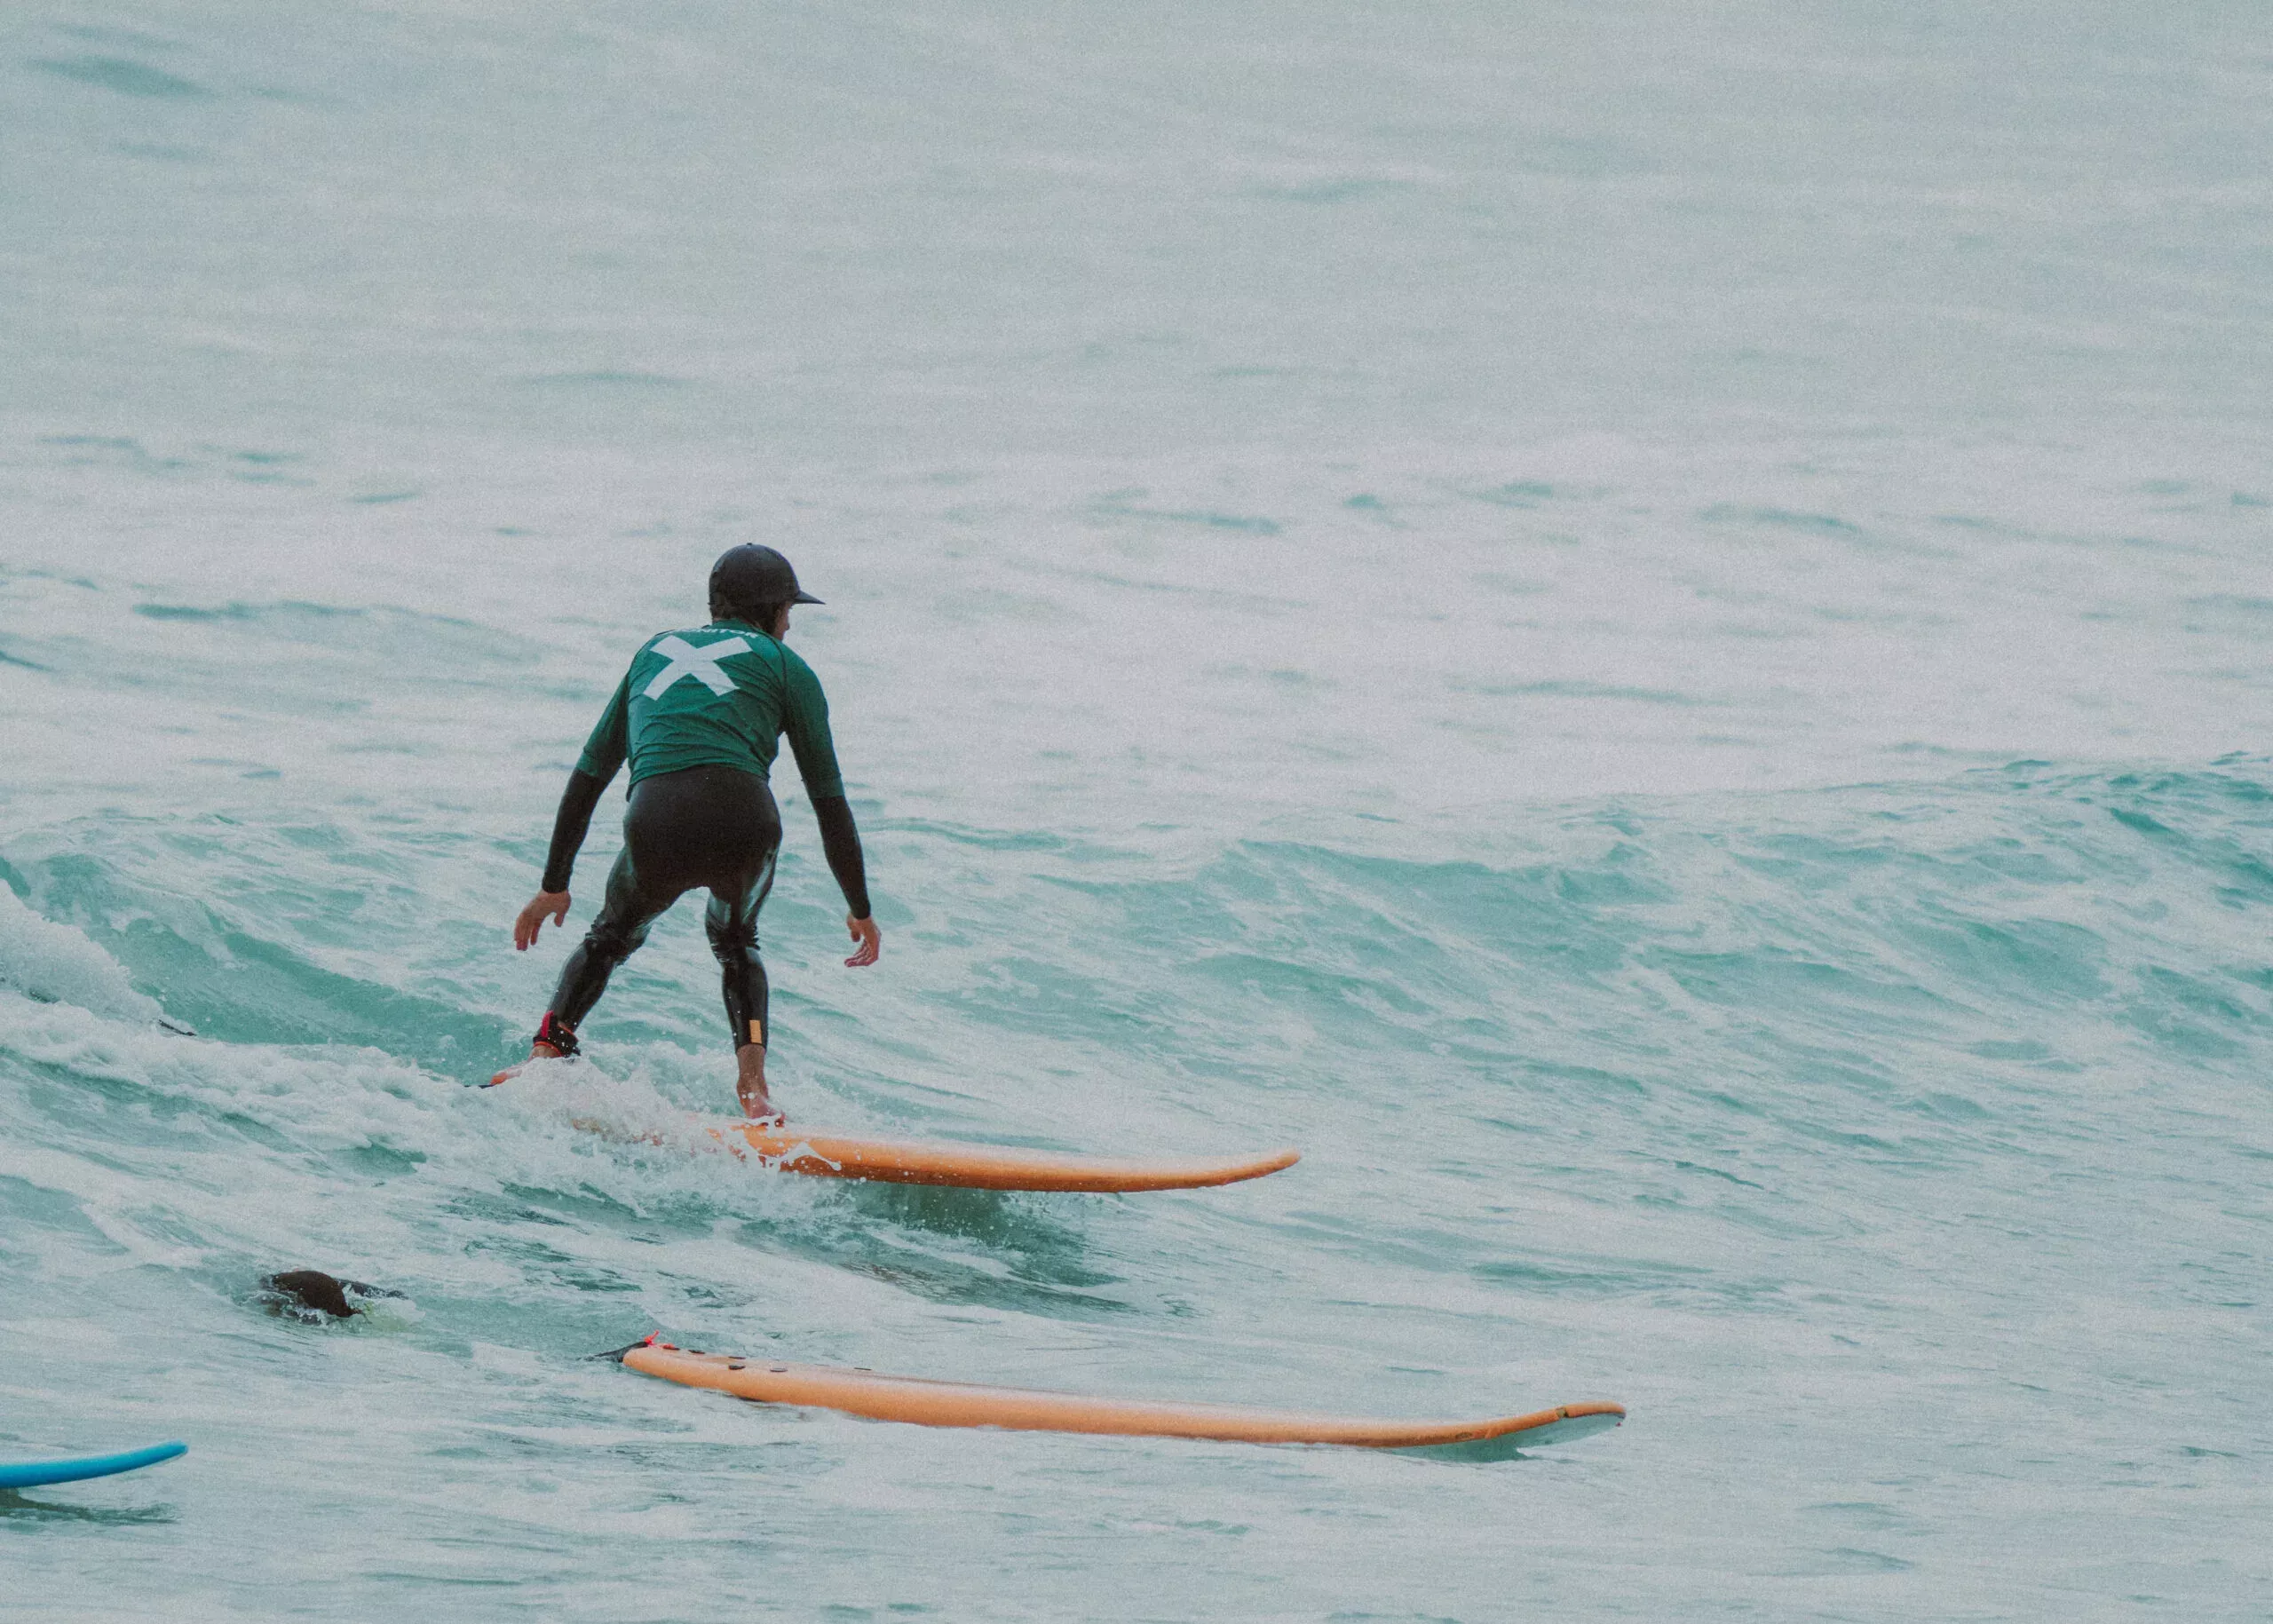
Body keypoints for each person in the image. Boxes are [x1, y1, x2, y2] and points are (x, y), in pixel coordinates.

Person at [496, 544, 880, 1121]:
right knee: (736, 940)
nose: (792, 622)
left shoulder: (655, 651)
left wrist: (555, 882)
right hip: (745, 822)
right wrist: (859, 905)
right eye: (789, 610)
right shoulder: (785, 665)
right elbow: (829, 799)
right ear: (773, 610)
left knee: (608, 936)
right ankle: (754, 1089)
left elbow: (589, 775)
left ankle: (544, 1054)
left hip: (655, 817)